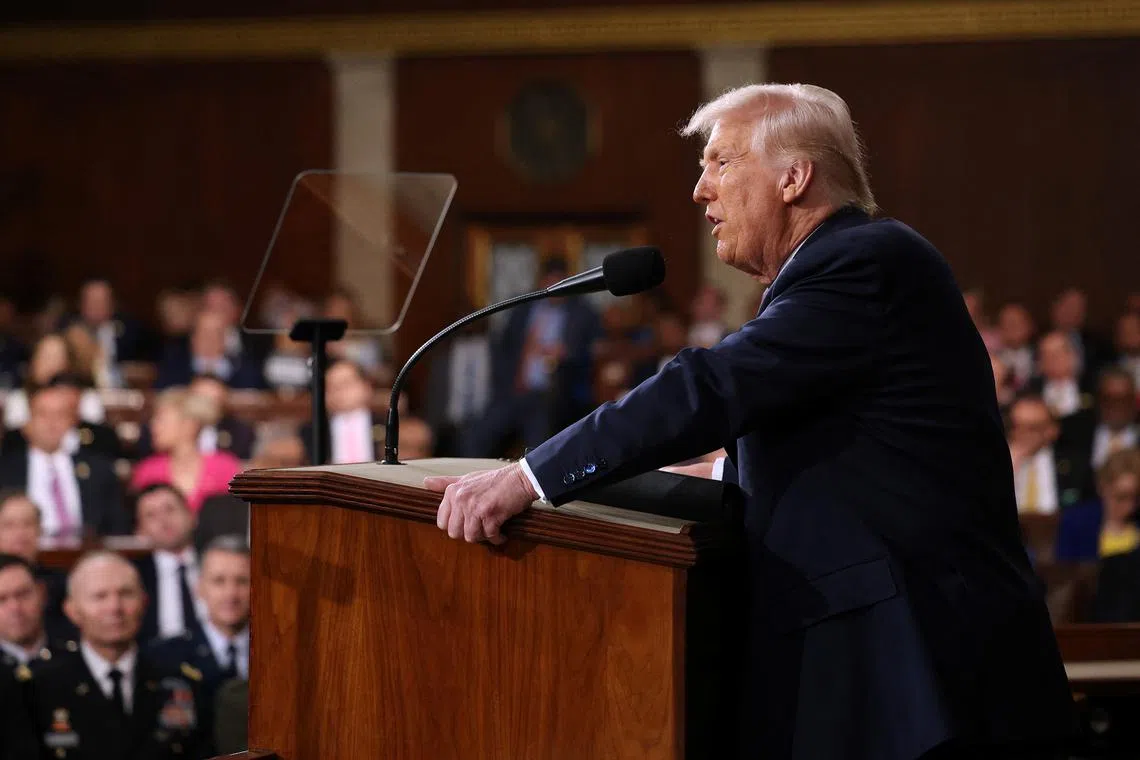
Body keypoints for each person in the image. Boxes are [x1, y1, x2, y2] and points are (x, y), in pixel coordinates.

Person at [425, 83, 1075, 759]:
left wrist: (530, 477)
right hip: (888, 680)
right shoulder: (831, 276)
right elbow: (853, 444)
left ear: (794, 177)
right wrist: (718, 469)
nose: (700, 191)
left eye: (721, 163)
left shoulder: (866, 260)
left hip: (925, 676)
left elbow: (710, 385)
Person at [24, 551, 205, 759]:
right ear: (72, 610)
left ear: (144, 602)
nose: (114, 607)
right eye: (99, 596)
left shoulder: (178, 679)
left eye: (126, 593)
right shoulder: (39, 685)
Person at [149, 535, 250, 758]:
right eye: (219, 581)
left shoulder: (277, 656)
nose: (231, 594)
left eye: (242, 581)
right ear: (200, 588)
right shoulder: (165, 656)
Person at [130, 389, 242, 513]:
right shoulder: (147, 470)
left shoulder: (225, 468)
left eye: (160, 419)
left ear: (189, 425)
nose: (153, 426)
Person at [131, 484, 205, 645]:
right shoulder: (134, 576)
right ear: (140, 531)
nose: (163, 521)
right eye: (151, 515)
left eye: (170, 509)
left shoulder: (215, 563)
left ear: (192, 516)